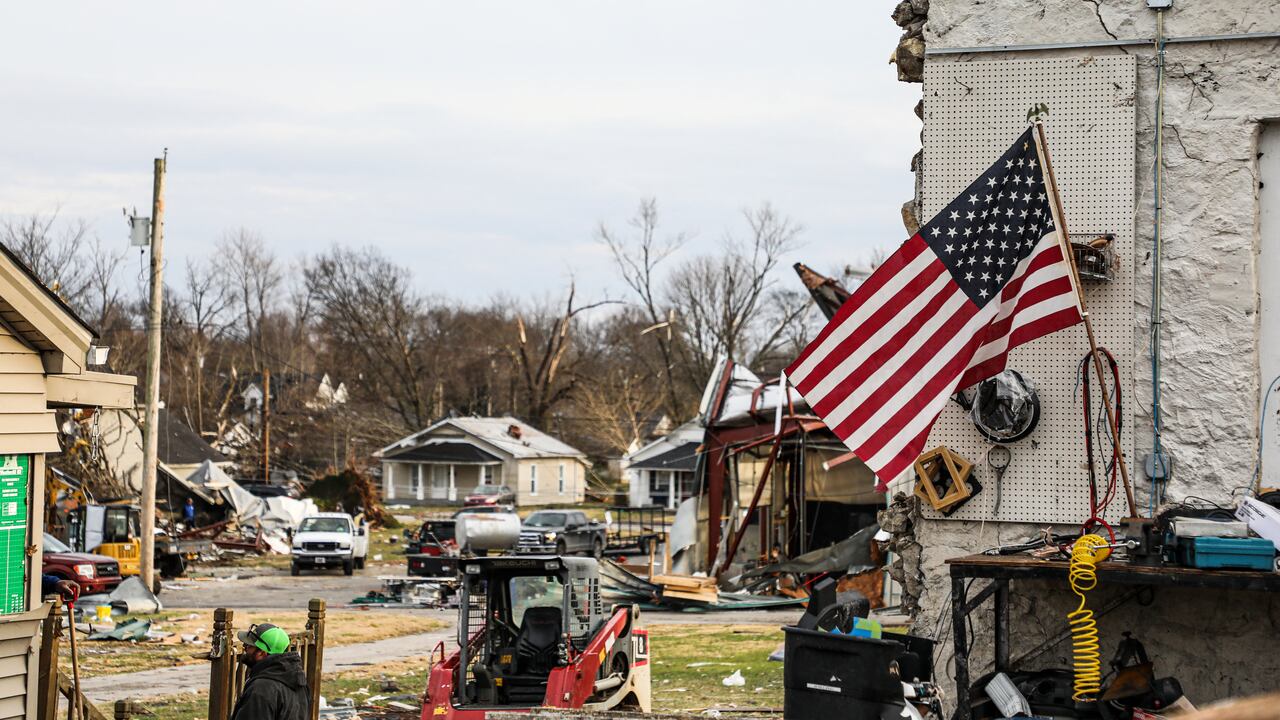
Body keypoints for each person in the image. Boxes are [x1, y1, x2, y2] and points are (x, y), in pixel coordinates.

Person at [230, 623, 309, 720]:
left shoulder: (261, 688)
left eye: (249, 646)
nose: (244, 648)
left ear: (262, 653)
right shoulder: (298, 681)